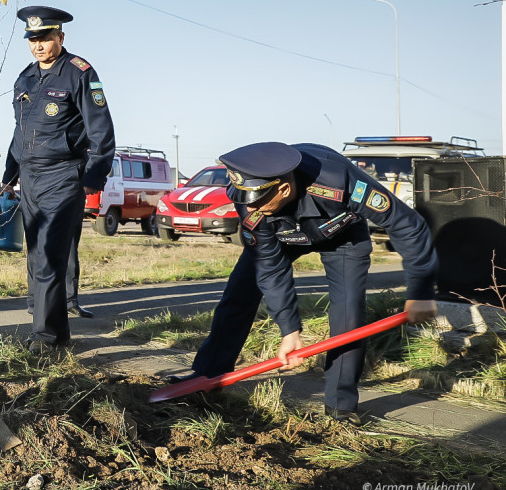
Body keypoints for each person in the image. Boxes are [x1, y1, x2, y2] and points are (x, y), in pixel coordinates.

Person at [166, 142, 439, 425]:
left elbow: (407, 224)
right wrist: (290, 329)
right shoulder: (251, 200)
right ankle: (206, 378)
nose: (249, 206)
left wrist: (420, 290)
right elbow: (270, 268)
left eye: (257, 200)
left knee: (348, 314)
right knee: (238, 295)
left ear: (284, 189)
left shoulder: (341, 181)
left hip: (341, 235)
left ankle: (340, 407)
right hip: (279, 233)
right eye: (245, 199)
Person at [0, 6, 115, 355]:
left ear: (60, 38)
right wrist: (9, 174)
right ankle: (52, 331)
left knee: (50, 254)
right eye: (32, 39)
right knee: (36, 255)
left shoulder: (79, 73)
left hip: (64, 176)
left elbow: (102, 129)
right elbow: (20, 133)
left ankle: (46, 339)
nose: (38, 45)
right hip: (30, 178)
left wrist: (95, 175)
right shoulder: (25, 78)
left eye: (45, 38)